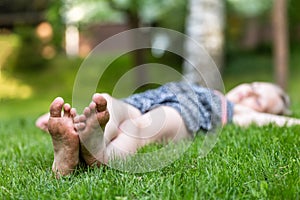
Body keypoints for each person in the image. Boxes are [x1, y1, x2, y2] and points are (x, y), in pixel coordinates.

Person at [36, 81, 300, 177]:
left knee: (140, 127)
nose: (247, 95)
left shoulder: (235, 113)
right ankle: (82, 137)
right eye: (252, 87)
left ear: (260, 113)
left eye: (259, 101)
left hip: (184, 114)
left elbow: (277, 123)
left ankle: (97, 152)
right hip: (145, 100)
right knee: (110, 105)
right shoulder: (213, 88)